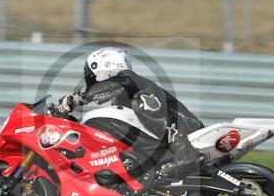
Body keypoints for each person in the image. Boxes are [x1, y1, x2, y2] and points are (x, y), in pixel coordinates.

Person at [53, 47, 204, 180]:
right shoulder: (124, 93)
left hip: (188, 130)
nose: (93, 83)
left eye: (93, 77)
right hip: (158, 148)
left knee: (144, 104)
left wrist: (76, 99)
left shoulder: (129, 80)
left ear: (104, 67)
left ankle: (186, 153)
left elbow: (115, 84)